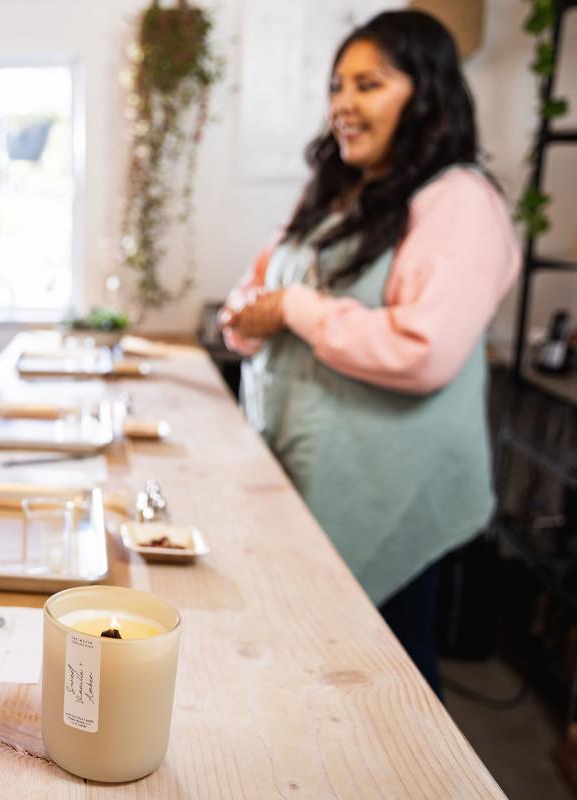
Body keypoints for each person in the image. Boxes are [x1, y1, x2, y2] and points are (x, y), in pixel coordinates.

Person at [219, 10, 520, 696]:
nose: (343, 104)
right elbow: (249, 300)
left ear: (427, 93)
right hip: (308, 469)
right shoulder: (334, 196)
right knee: (322, 670)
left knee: (390, 679)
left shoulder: (460, 201)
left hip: (388, 487)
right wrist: (256, 314)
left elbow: (425, 349)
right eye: (337, 86)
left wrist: (295, 308)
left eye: (370, 84)